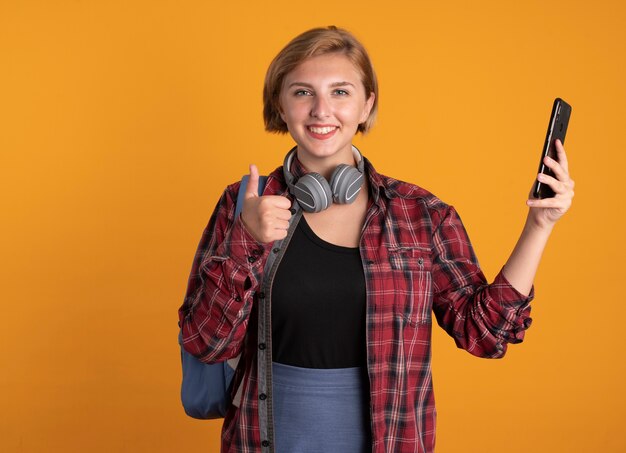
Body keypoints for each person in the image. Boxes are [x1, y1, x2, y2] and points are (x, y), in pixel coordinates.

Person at [178, 26, 574, 453]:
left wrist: (540, 226)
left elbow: (486, 333)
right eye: (302, 92)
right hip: (264, 440)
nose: (321, 110)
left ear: (367, 105)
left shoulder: (421, 214)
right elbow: (206, 342)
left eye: (341, 92)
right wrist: (246, 242)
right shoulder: (245, 206)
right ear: (280, 103)